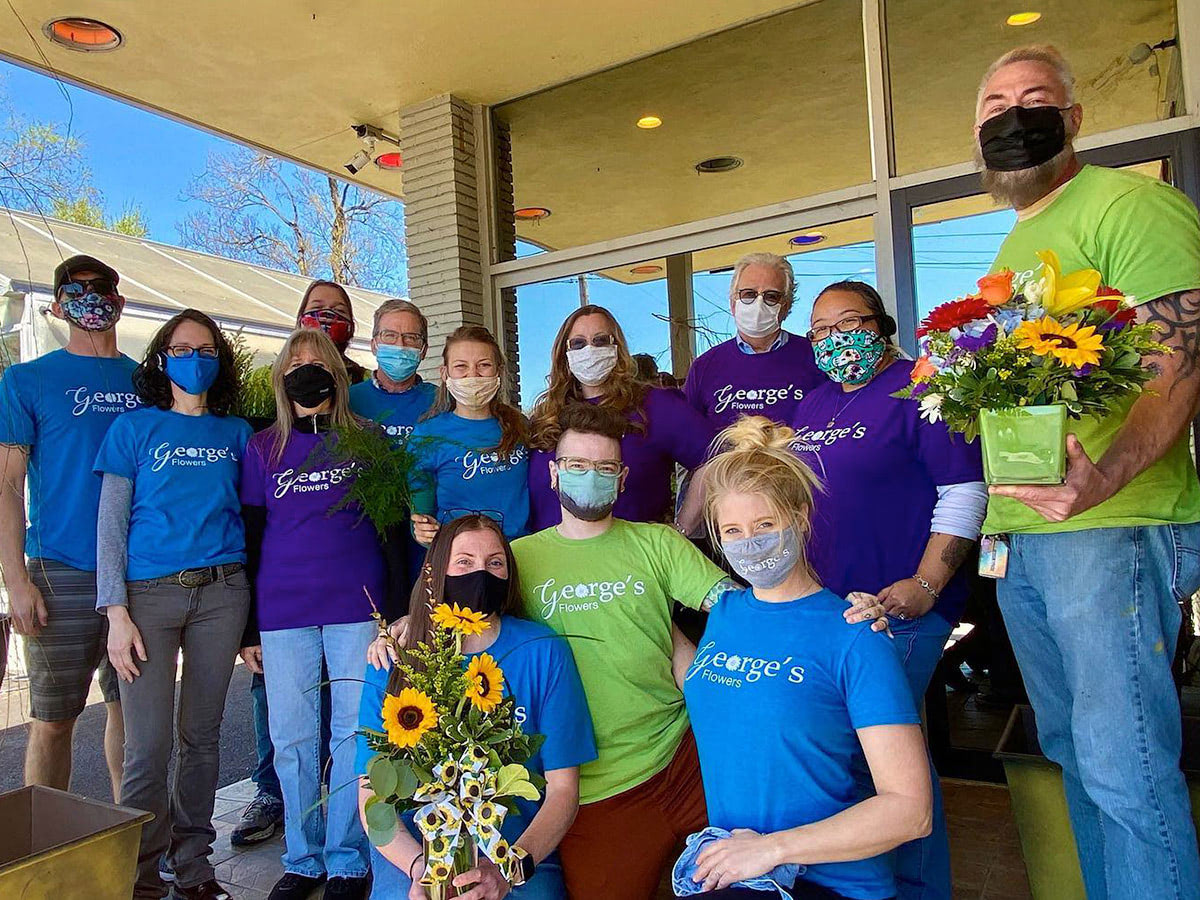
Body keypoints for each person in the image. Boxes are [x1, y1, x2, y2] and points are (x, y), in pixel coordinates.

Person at [975, 45, 1200, 900]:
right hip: (1028, 540)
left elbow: (1180, 360)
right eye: (995, 103)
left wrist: (1105, 477)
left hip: (1108, 528)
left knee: (1125, 765)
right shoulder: (1021, 238)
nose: (1012, 116)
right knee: (1076, 756)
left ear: (1073, 120)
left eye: (1035, 99)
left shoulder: (1130, 204)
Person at [510, 404, 890, 899]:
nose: (591, 477)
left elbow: (748, 603)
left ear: (622, 478)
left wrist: (845, 616)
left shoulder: (657, 543)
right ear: (554, 473)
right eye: (577, 466)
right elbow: (468, 618)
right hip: (597, 788)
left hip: (690, 764)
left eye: (605, 468)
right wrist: (408, 625)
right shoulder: (517, 560)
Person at [678, 416, 932, 900]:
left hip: (829, 880)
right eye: (732, 529)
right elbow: (701, 681)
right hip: (742, 869)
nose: (749, 542)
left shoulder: (856, 634)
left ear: (799, 517)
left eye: (765, 525)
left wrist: (773, 849)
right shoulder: (726, 613)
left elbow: (910, 810)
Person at [791, 281, 986, 899]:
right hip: (834, 611)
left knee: (881, 750)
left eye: (849, 321)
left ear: (882, 326)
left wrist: (927, 583)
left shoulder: (920, 388)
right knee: (888, 751)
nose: (834, 337)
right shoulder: (814, 405)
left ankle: (911, 886)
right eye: (820, 329)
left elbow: (964, 489)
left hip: (897, 609)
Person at [94, 309, 252, 900]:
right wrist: (115, 611)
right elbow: (110, 525)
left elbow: (254, 521)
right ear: (162, 357)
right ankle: (138, 875)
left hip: (222, 593)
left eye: (207, 349)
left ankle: (194, 866)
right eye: (183, 348)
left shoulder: (236, 434)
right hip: (148, 599)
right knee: (147, 745)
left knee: (202, 737)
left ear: (219, 360)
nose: (195, 358)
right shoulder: (133, 431)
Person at [358, 514, 596, 900]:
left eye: (495, 563)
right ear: (436, 573)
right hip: (412, 855)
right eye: (464, 562)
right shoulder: (395, 659)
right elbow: (371, 792)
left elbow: (563, 790)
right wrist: (421, 868)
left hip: (516, 854)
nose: (480, 574)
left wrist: (508, 868)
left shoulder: (542, 651)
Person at [239, 328, 383, 900]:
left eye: (317, 360)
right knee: (293, 736)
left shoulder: (366, 440)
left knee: (354, 732)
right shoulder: (262, 447)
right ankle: (303, 857)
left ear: (338, 373)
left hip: (357, 603)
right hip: (283, 607)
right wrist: (249, 625)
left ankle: (348, 858)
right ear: (281, 375)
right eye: (295, 361)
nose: (307, 370)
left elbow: (390, 528)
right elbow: (251, 534)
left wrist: (392, 610)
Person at [0, 254, 135, 799]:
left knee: (131, 714)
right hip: (61, 571)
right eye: (74, 291)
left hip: (140, 570)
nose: (89, 298)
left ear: (119, 301)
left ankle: (138, 844)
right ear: (57, 305)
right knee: (53, 722)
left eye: (100, 288)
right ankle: (47, 847)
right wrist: (16, 579)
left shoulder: (148, 381)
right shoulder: (26, 380)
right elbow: (8, 485)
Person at [526, 304, 716, 533]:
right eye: (578, 343)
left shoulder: (654, 406)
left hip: (634, 560)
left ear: (617, 348)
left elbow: (715, 458)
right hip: (549, 560)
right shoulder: (546, 417)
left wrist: (681, 529)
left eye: (600, 340)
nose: (589, 349)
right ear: (563, 355)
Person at [349, 298, 438, 603]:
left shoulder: (441, 402)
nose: (400, 345)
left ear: (423, 349)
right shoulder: (349, 403)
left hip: (427, 538)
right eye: (390, 336)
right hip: (366, 538)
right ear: (374, 344)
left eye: (411, 338)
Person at [409, 325, 529, 545]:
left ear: (499, 371)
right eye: (461, 366)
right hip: (459, 559)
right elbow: (421, 517)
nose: (472, 375)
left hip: (520, 554)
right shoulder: (427, 436)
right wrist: (423, 531)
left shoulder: (521, 427)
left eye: (484, 365)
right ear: (444, 373)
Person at [684, 253, 825, 429]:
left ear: (787, 306)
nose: (759, 303)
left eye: (771, 296)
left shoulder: (816, 357)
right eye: (749, 294)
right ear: (733, 303)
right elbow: (688, 435)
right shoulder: (704, 367)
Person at [297, 279, 369, 384]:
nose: (327, 314)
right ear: (301, 319)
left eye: (339, 310)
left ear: (351, 325)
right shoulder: (272, 376)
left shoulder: (366, 381)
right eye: (317, 307)